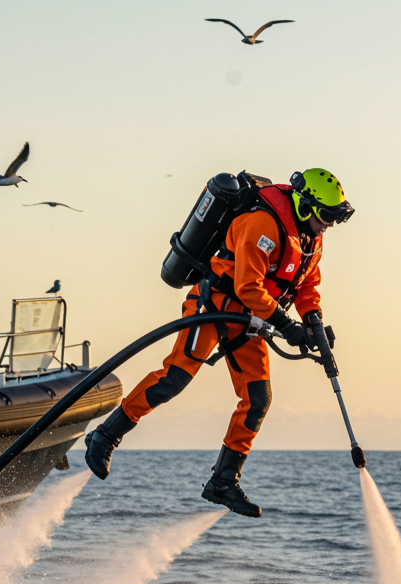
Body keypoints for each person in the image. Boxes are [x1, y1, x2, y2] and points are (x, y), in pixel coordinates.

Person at [85, 168, 353, 517]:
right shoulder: (263, 225)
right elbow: (247, 287)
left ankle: (223, 481)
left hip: (251, 319)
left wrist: (314, 323)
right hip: (213, 306)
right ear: (305, 205)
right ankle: (105, 436)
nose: (329, 225)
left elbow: (306, 287)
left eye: (336, 218)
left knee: (258, 399)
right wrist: (288, 326)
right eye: (326, 216)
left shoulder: (310, 240)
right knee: (174, 379)